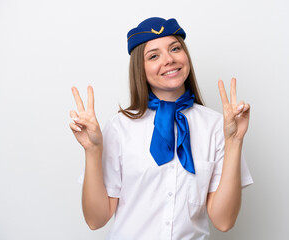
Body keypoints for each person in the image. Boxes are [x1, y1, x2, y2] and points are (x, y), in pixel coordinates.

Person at [69, 17, 253, 240]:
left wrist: (234, 141)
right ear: (140, 69)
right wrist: (92, 150)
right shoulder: (119, 128)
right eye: (154, 55)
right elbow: (95, 220)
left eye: (175, 48)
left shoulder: (217, 127)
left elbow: (223, 221)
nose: (169, 60)